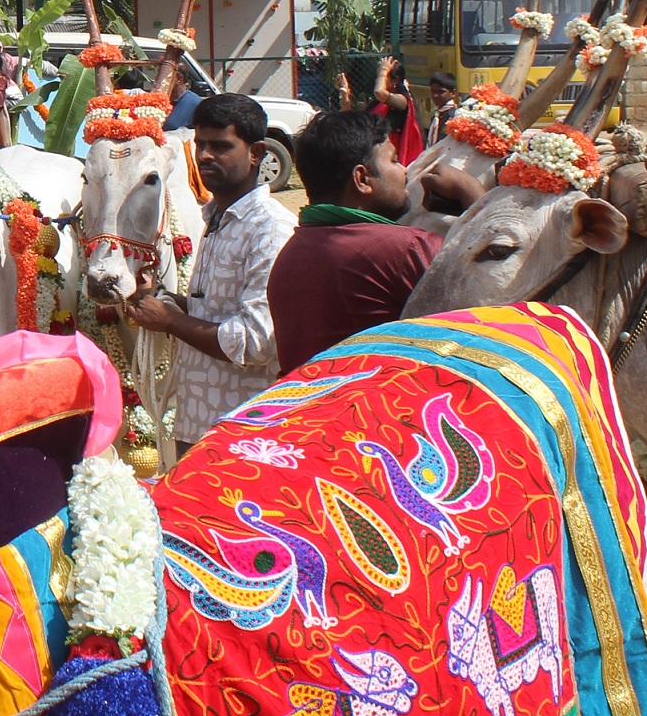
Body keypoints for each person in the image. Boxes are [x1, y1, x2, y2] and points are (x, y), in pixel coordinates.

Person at [122, 93, 297, 451]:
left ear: (257, 153)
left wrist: (169, 322)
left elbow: (253, 341)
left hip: (241, 432)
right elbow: (216, 311)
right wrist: (168, 302)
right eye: (200, 144)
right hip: (198, 420)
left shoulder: (271, 229)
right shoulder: (216, 217)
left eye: (220, 146)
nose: (204, 155)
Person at [268, 111, 445, 373]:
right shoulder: (408, 248)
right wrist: (475, 199)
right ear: (362, 179)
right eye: (394, 160)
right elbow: (488, 317)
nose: (405, 170)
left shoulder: (290, 253)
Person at [341, 58, 424, 165]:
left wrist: (383, 70)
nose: (379, 80)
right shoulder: (378, 103)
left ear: (396, 80)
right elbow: (355, 123)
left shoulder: (402, 101)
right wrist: (345, 96)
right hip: (375, 152)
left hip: (392, 155)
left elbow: (379, 92)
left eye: (384, 77)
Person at [424, 70, 461, 140]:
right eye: (433, 91)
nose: (435, 95)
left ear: (453, 93)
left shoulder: (453, 117)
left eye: (441, 92)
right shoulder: (437, 116)